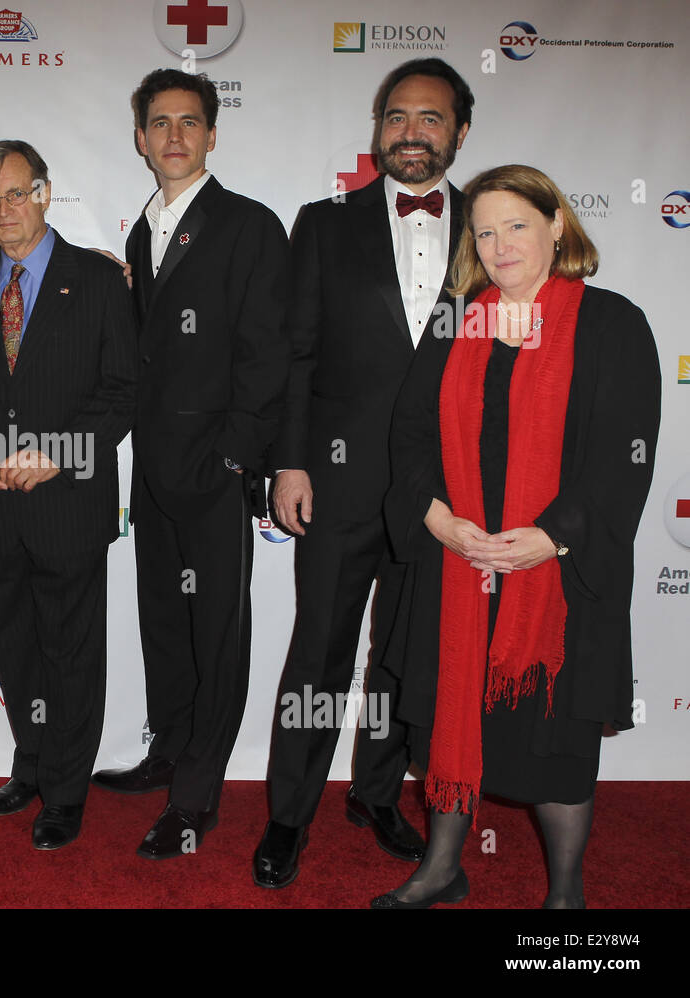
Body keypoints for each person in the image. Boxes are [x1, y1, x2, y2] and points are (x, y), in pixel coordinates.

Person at [372, 165, 660, 908]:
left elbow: (624, 455)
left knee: (552, 738)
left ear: (558, 225)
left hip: (557, 577)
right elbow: (408, 436)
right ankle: (442, 867)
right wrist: (434, 516)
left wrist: (552, 538)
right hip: (456, 564)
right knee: (447, 718)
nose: (499, 246)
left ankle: (566, 893)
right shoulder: (456, 322)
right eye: (485, 231)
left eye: (517, 226)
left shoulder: (611, 324)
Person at [254, 58, 474, 887]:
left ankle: (377, 793)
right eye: (397, 117)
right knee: (319, 652)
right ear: (377, 127)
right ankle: (286, 815)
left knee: (405, 657)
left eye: (431, 118)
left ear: (459, 131)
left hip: (446, 492)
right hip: (339, 481)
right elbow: (296, 354)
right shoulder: (323, 223)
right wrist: (292, 462)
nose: (412, 132)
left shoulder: (490, 229)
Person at [92, 69, 289, 860]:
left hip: (217, 467)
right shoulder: (142, 232)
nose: (174, 136)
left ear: (212, 134)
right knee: (165, 623)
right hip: (152, 464)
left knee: (218, 633)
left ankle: (196, 798)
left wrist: (237, 456)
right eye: (159, 123)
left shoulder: (250, 225)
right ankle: (169, 751)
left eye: (189, 122)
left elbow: (268, 353)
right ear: (140, 139)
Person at [0, 140, 136, 850]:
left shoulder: (97, 279)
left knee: (71, 652)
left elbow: (123, 393)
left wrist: (56, 455)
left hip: (69, 502)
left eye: (17, 193)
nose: (5, 211)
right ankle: (31, 762)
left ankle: (65, 789)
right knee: (17, 648)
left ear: (46, 193)